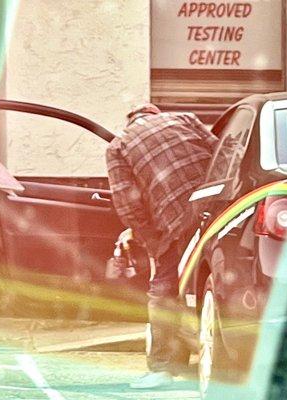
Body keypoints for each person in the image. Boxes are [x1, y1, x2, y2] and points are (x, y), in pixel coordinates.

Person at [106, 103, 218, 389]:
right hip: (219, 206)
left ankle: (164, 368)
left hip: (177, 219)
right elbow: (221, 153)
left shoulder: (119, 146)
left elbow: (128, 206)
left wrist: (153, 242)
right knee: (218, 279)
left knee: (163, 291)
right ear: (156, 114)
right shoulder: (185, 117)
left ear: (131, 121)